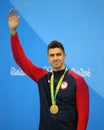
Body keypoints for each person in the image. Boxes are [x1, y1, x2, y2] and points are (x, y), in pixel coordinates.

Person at [7, 9, 89, 130]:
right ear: (48, 58)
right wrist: (13, 32)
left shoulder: (77, 80)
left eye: (58, 54)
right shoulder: (42, 77)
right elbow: (21, 60)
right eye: (52, 55)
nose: (55, 58)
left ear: (64, 56)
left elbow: (83, 117)